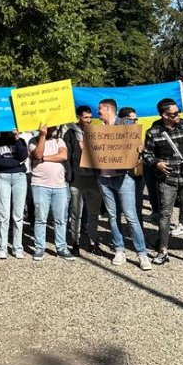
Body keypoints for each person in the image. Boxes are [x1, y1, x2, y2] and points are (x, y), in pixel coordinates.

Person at [142, 98, 183, 267]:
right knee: (165, 215)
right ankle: (162, 250)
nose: (178, 115)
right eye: (174, 114)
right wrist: (156, 162)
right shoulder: (153, 132)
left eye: (178, 112)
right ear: (164, 115)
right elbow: (146, 154)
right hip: (167, 180)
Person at [95, 99, 151, 270]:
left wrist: (140, 148)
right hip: (103, 177)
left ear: (107, 109)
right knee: (113, 216)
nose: (98, 112)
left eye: (100, 109)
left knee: (131, 216)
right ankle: (119, 249)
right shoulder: (96, 130)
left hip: (123, 176)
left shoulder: (125, 124)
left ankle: (142, 253)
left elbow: (139, 144)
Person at [28, 124, 72, 262]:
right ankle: (39, 247)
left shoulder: (59, 141)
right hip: (40, 185)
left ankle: (61, 247)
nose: (51, 129)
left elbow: (63, 156)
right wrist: (42, 135)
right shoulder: (33, 141)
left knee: (60, 219)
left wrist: (44, 159)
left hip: (59, 185)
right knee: (41, 218)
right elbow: (37, 154)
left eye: (52, 127)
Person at [65, 106, 100, 256]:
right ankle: (75, 242)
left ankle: (93, 242)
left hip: (94, 178)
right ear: (79, 117)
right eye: (86, 117)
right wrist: (69, 176)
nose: (89, 120)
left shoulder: (96, 132)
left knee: (93, 213)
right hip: (77, 178)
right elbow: (67, 155)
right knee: (76, 212)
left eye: (90, 117)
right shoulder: (70, 134)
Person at [0, 129, 29, 259]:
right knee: (4, 214)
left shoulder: (21, 141)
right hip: (3, 177)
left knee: (18, 215)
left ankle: (17, 247)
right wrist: (15, 162)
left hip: (19, 177)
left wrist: (17, 138)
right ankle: (2, 247)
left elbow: (23, 155)